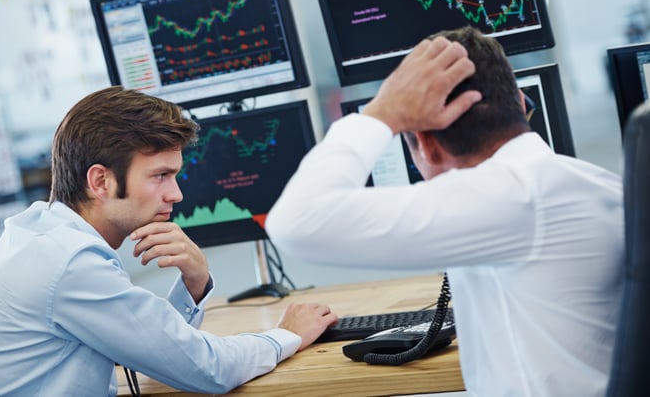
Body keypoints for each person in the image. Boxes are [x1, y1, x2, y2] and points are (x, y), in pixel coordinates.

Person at [266, 26, 624, 396]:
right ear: (519, 103)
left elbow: (297, 222)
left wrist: (383, 113)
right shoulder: (588, 183)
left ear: (426, 144)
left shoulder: (510, 196)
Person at [0, 86, 337, 396]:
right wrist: (288, 333)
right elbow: (208, 369)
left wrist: (194, 283)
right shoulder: (69, 262)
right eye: (160, 176)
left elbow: (154, 344)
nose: (176, 194)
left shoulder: (39, 230)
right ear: (100, 181)